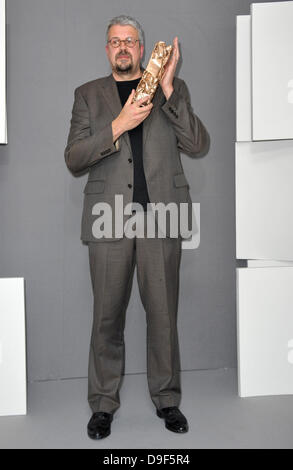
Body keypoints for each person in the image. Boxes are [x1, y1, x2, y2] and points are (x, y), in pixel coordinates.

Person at [64, 14, 208, 440]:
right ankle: (103, 405)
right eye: (115, 41)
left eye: (130, 41)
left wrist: (167, 91)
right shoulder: (87, 95)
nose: (123, 47)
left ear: (142, 49)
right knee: (107, 317)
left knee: (163, 316)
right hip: (110, 221)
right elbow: (73, 157)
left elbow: (198, 144)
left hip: (161, 218)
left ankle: (167, 399)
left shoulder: (171, 88)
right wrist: (117, 126)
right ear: (107, 49)